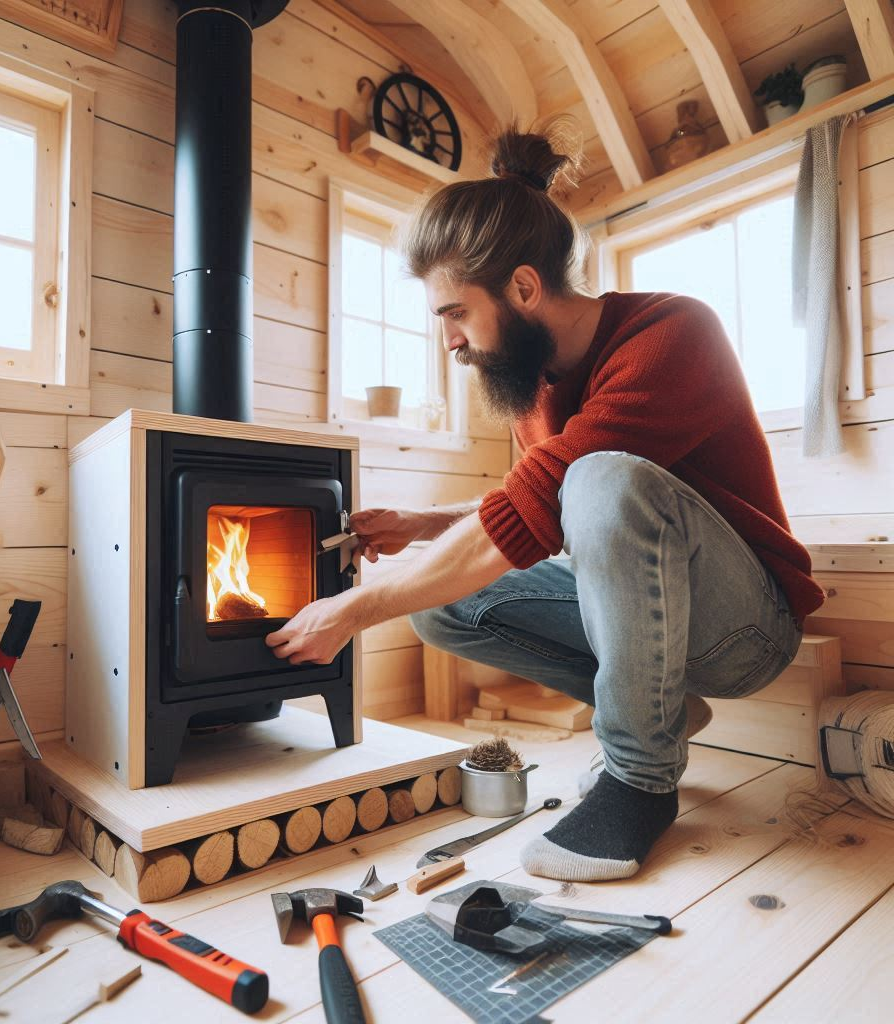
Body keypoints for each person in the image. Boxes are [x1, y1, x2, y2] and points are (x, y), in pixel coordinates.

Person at [266, 120, 825, 883]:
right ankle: (666, 715)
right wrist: (426, 526)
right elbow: (537, 503)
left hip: (745, 628)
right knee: (441, 603)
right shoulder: (533, 387)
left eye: (456, 314)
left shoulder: (671, 334)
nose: (451, 343)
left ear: (524, 288)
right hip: (657, 611)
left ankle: (639, 777)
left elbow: (578, 486)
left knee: (602, 477)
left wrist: (356, 609)